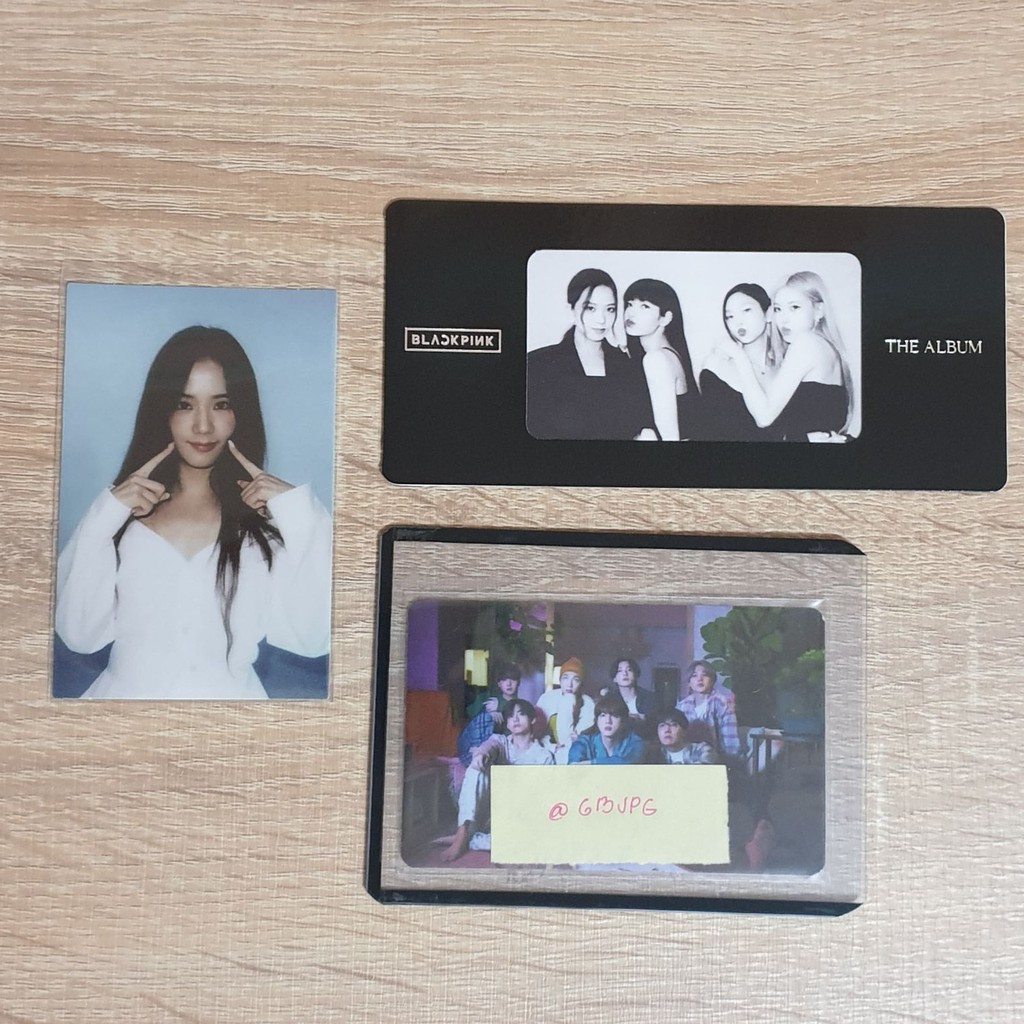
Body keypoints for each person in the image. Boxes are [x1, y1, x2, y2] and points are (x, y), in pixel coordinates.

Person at [55, 326, 331, 699]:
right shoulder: (119, 520)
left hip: (234, 722)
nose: (203, 425)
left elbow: (313, 638)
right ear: (162, 411)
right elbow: (78, 636)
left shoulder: (267, 527)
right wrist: (101, 521)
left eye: (221, 404)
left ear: (240, 413)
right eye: (185, 404)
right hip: (122, 716)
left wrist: (301, 516)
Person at [723, 271, 854, 441]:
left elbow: (764, 418)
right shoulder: (826, 347)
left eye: (794, 307)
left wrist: (739, 357)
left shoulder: (807, 343)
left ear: (819, 310)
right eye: (778, 309)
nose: (783, 319)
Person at [527, 268, 650, 440]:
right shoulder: (538, 363)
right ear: (571, 311)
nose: (602, 319)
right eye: (590, 308)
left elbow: (639, 425)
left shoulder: (626, 364)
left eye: (610, 309)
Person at [440, 699, 554, 862]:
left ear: (533, 719)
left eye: (521, 714)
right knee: (476, 770)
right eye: (510, 716)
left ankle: (472, 839)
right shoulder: (501, 741)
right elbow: (489, 745)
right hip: (487, 811)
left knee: (528, 842)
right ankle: (462, 833)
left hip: (517, 816)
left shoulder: (544, 756)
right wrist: (480, 755)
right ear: (507, 723)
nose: (515, 719)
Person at [696, 283, 785, 441]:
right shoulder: (716, 366)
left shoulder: (785, 365)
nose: (738, 322)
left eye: (746, 310)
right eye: (730, 316)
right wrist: (740, 357)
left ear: (768, 314)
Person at [622, 278, 698, 441]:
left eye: (645, 306)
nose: (631, 313)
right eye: (630, 304)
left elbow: (670, 437)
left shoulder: (656, 360)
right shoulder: (667, 355)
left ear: (665, 318)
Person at [456, 663, 522, 766]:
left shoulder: (521, 705)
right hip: (478, 742)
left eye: (513, 679)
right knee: (486, 716)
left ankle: (479, 755)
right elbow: (470, 715)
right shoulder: (491, 700)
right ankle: (477, 751)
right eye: (504, 680)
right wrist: (491, 712)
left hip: (505, 744)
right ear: (499, 684)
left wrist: (500, 708)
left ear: (518, 682)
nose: (509, 684)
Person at [536, 656, 596, 764]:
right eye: (565, 678)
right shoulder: (547, 698)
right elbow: (538, 731)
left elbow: (583, 736)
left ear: (581, 683)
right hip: (548, 751)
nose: (570, 684)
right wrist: (551, 746)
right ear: (560, 680)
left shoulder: (588, 703)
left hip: (576, 753)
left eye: (576, 679)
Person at [676, 661, 740, 760]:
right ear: (689, 683)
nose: (699, 679)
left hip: (716, 757)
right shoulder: (682, 706)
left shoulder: (722, 703)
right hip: (687, 757)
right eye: (694, 676)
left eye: (704, 675)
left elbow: (731, 739)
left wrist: (729, 761)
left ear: (712, 680)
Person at [568, 694, 645, 764]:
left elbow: (630, 762)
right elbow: (573, 763)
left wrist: (591, 763)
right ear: (597, 720)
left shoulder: (634, 742)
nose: (608, 721)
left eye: (614, 716)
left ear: (623, 721)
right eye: (603, 715)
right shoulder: (584, 741)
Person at [606, 656, 656, 738]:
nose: (625, 674)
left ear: (635, 675)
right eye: (620, 671)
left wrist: (642, 718)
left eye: (629, 670)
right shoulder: (609, 699)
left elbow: (655, 722)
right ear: (614, 678)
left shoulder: (649, 698)